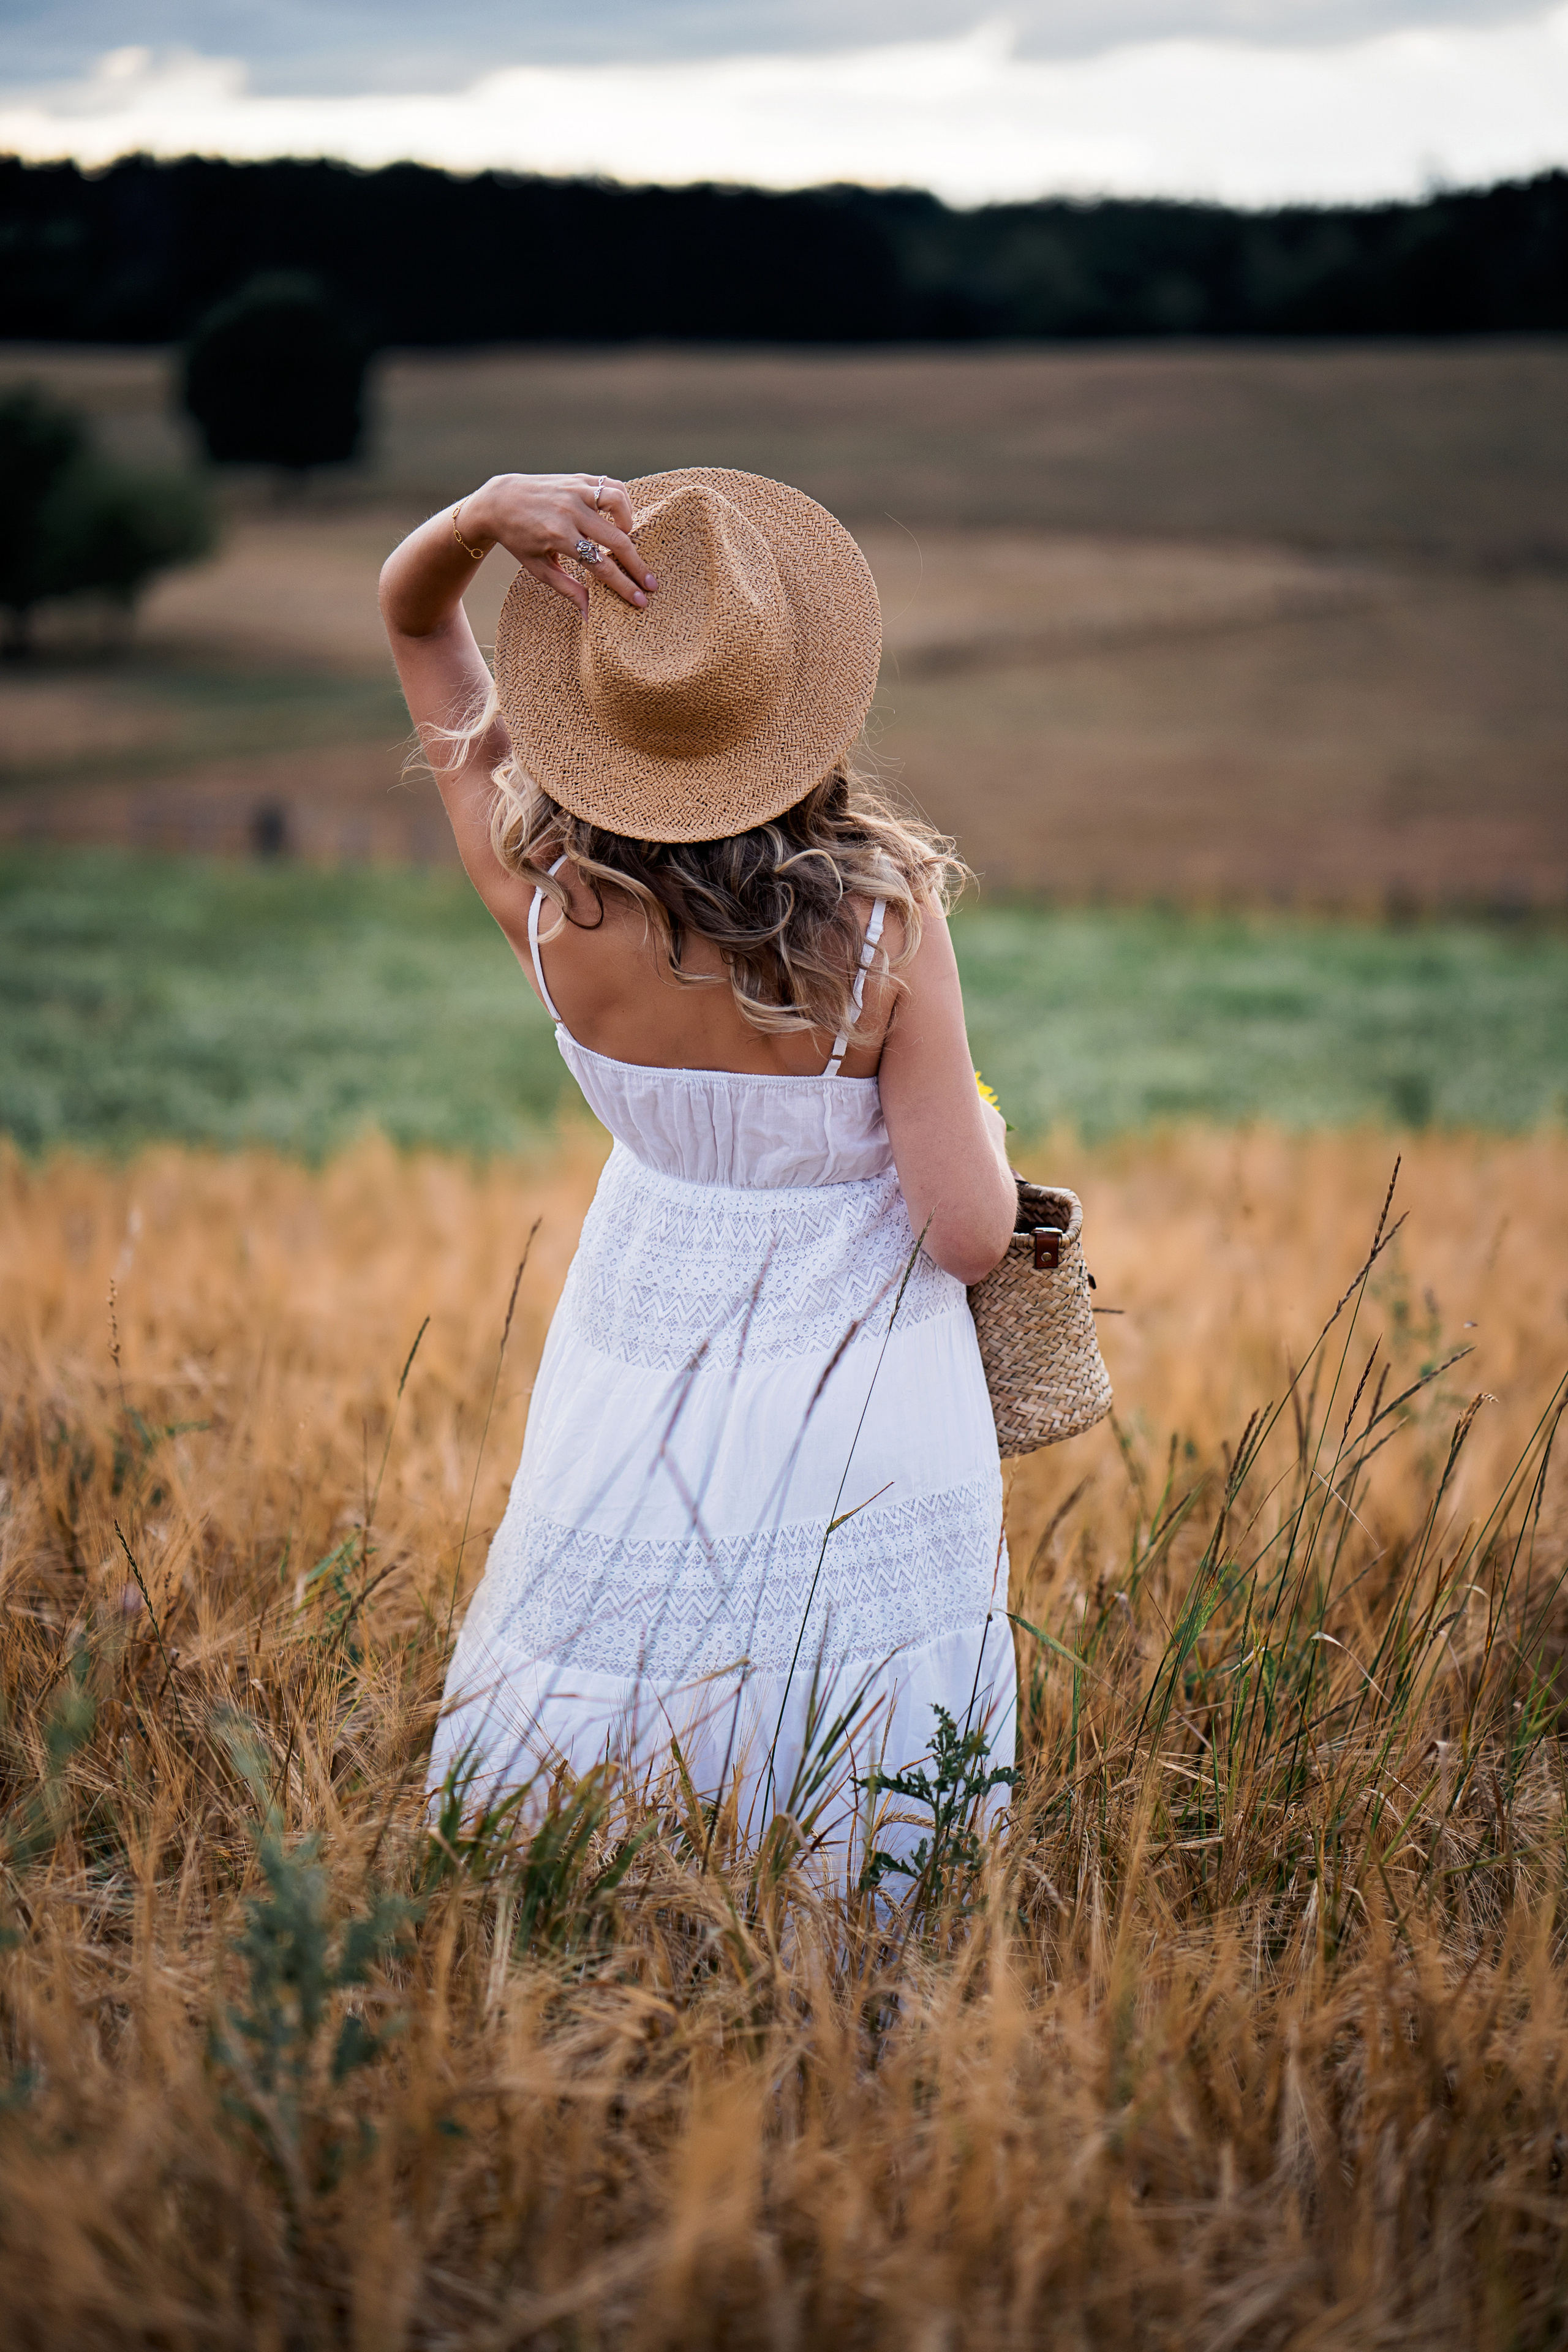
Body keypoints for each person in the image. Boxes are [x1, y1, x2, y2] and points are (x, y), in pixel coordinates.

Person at [380, 465, 1017, 1871]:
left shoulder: (538, 900)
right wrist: (975, 1113)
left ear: (597, 720)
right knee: (836, 1659)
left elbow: (416, 625)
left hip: (639, 1332)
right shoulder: (878, 924)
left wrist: (481, 519)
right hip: (859, 1372)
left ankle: (591, 1883)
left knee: (632, 1621)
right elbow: (967, 1234)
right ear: (801, 709)